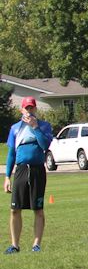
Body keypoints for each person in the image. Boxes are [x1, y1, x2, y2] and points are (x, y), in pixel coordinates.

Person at [5, 97, 54, 254]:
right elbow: (11, 154)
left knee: (38, 209)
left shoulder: (44, 126)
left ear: (35, 109)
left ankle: (36, 244)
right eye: (27, 108)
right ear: (22, 110)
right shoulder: (15, 128)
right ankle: (15, 245)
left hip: (37, 170)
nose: (29, 111)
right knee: (15, 209)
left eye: (32, 108)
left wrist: (35, 127)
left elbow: (45, 145)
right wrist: (7, 177)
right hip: (21, 170)